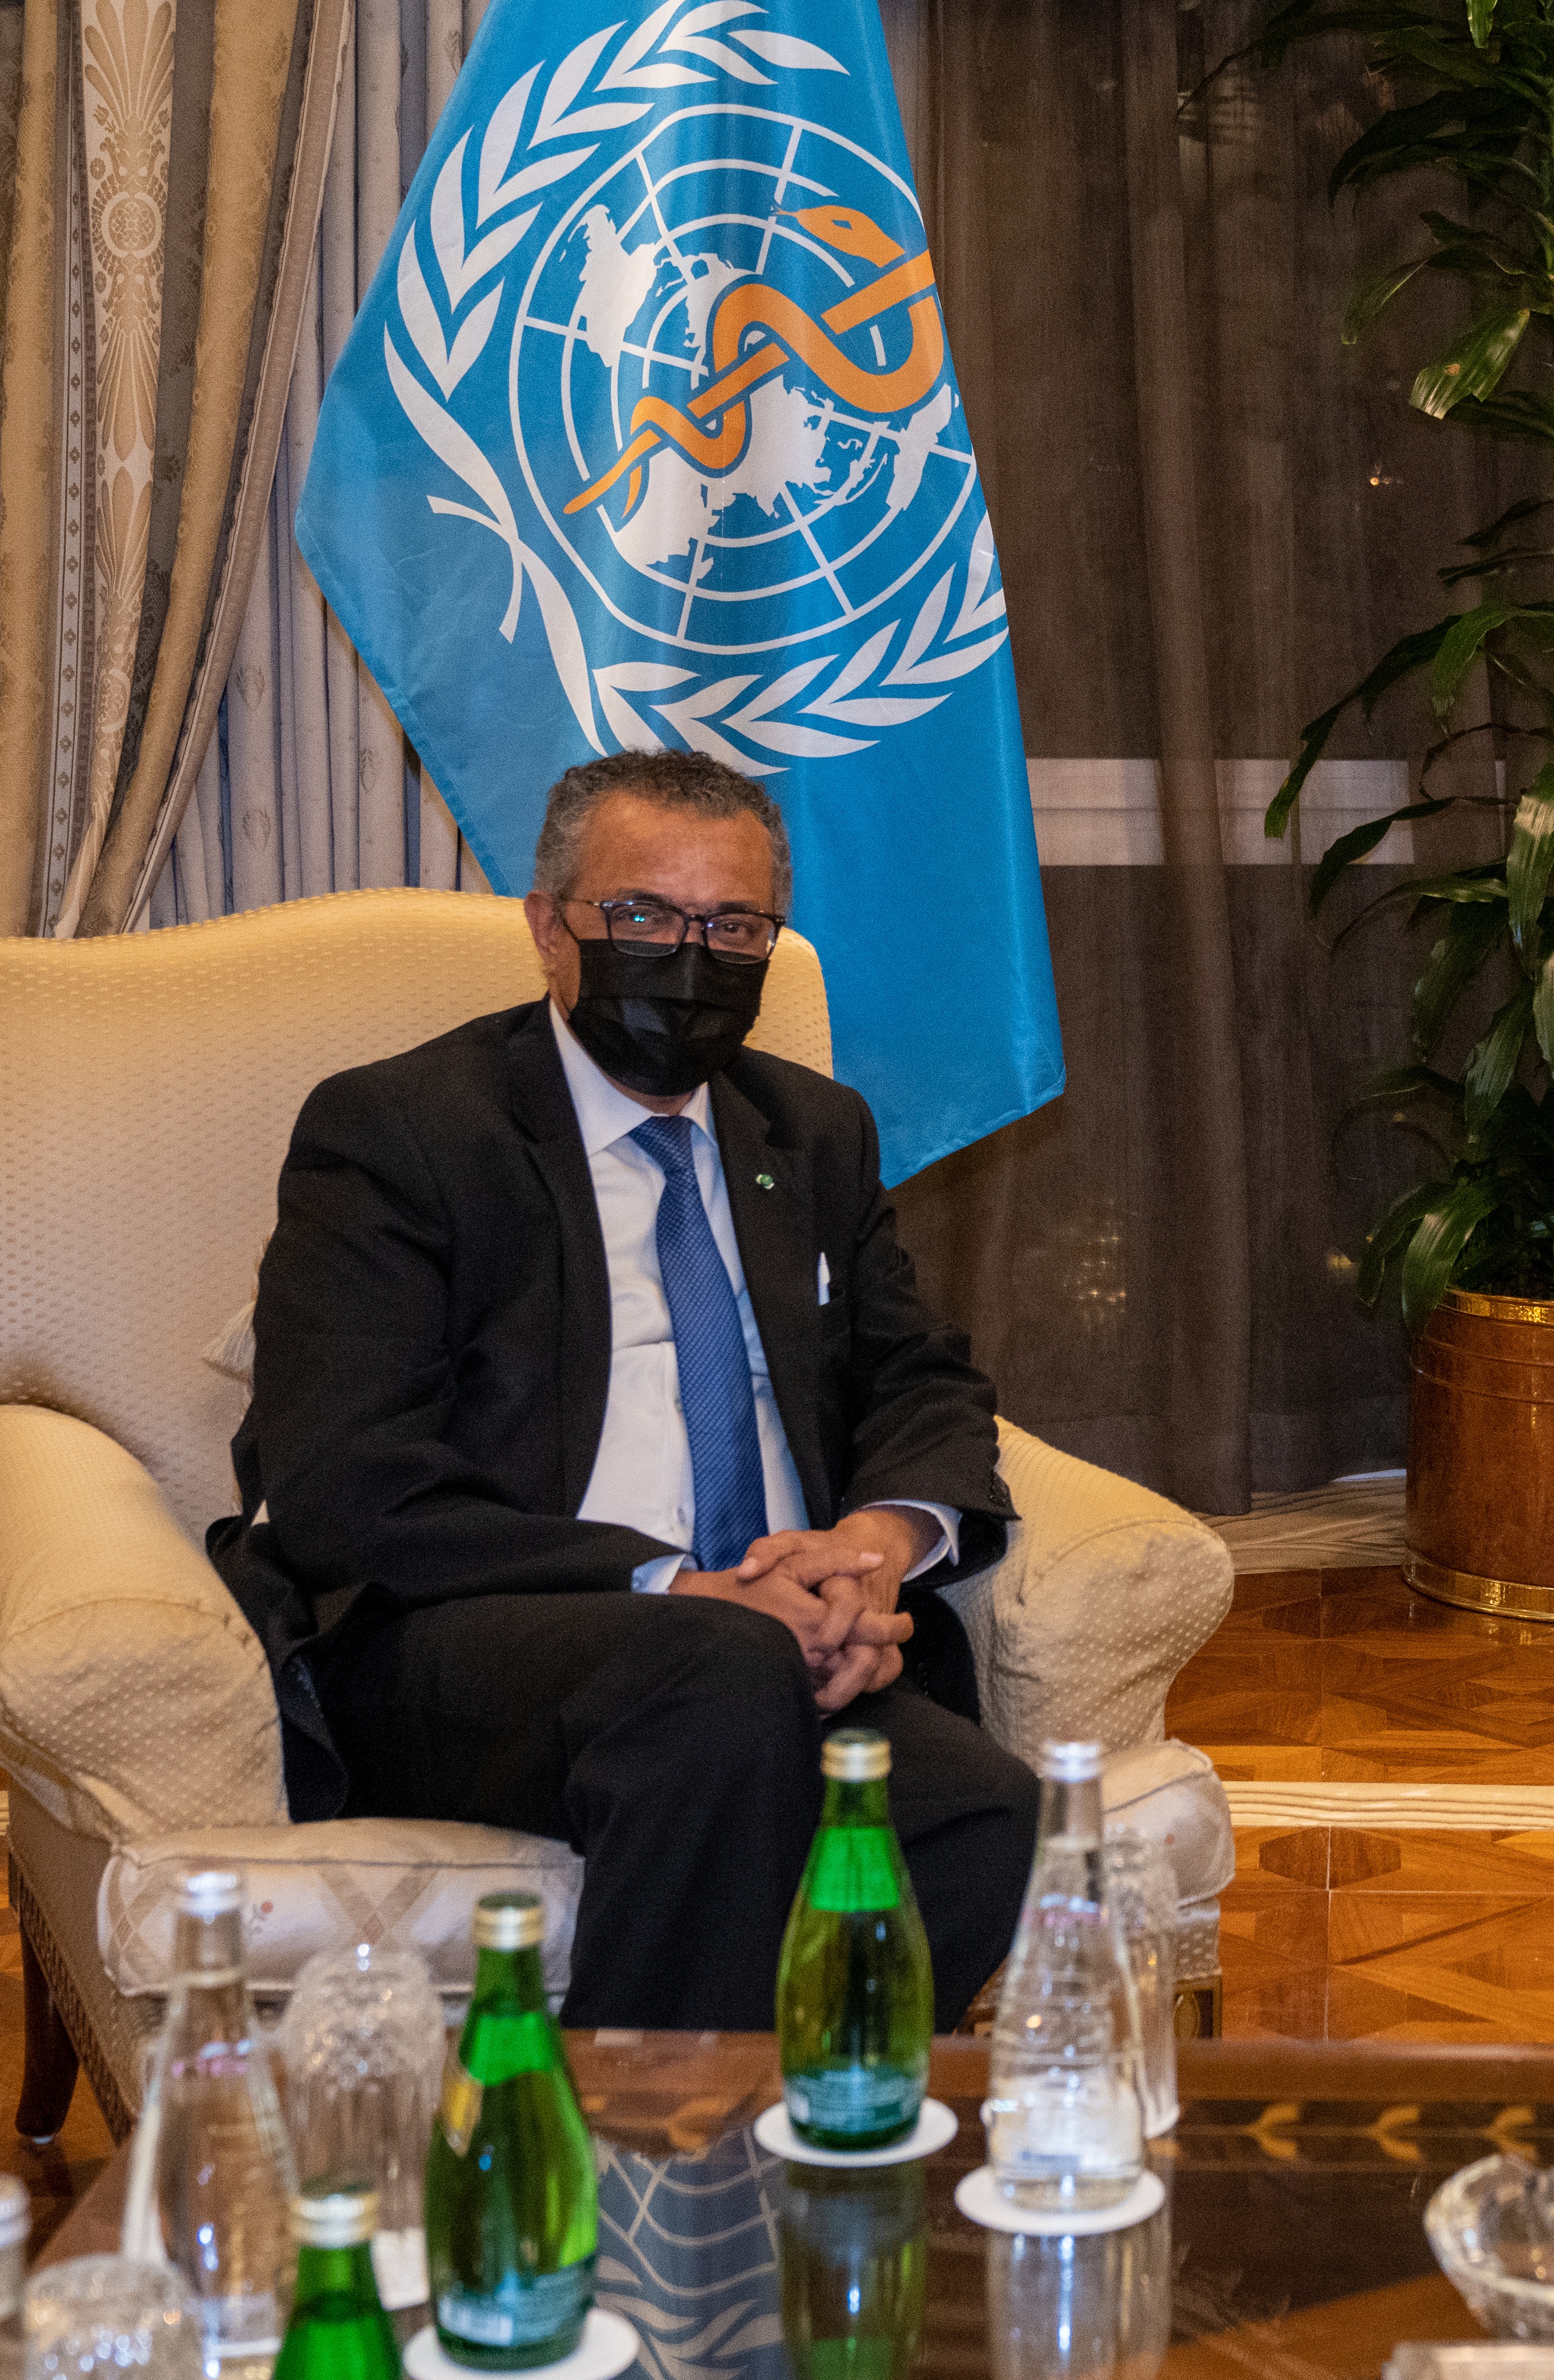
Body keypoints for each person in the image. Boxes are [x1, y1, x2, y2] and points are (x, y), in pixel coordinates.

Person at [210, 748, 1033, 2029]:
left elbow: (920, 1375)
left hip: (767, 1646)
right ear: (550, 929)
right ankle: (650, 2189)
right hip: (479, 1634)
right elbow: (343, 1479)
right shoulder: (403, 1131)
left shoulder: (811, 1132)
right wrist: (685, 1587)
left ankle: (786, 2151)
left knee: (982, 1806)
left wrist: (871, 1553)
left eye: (735, 926)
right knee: (714, 1673)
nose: (691, 957)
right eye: (645, 916)